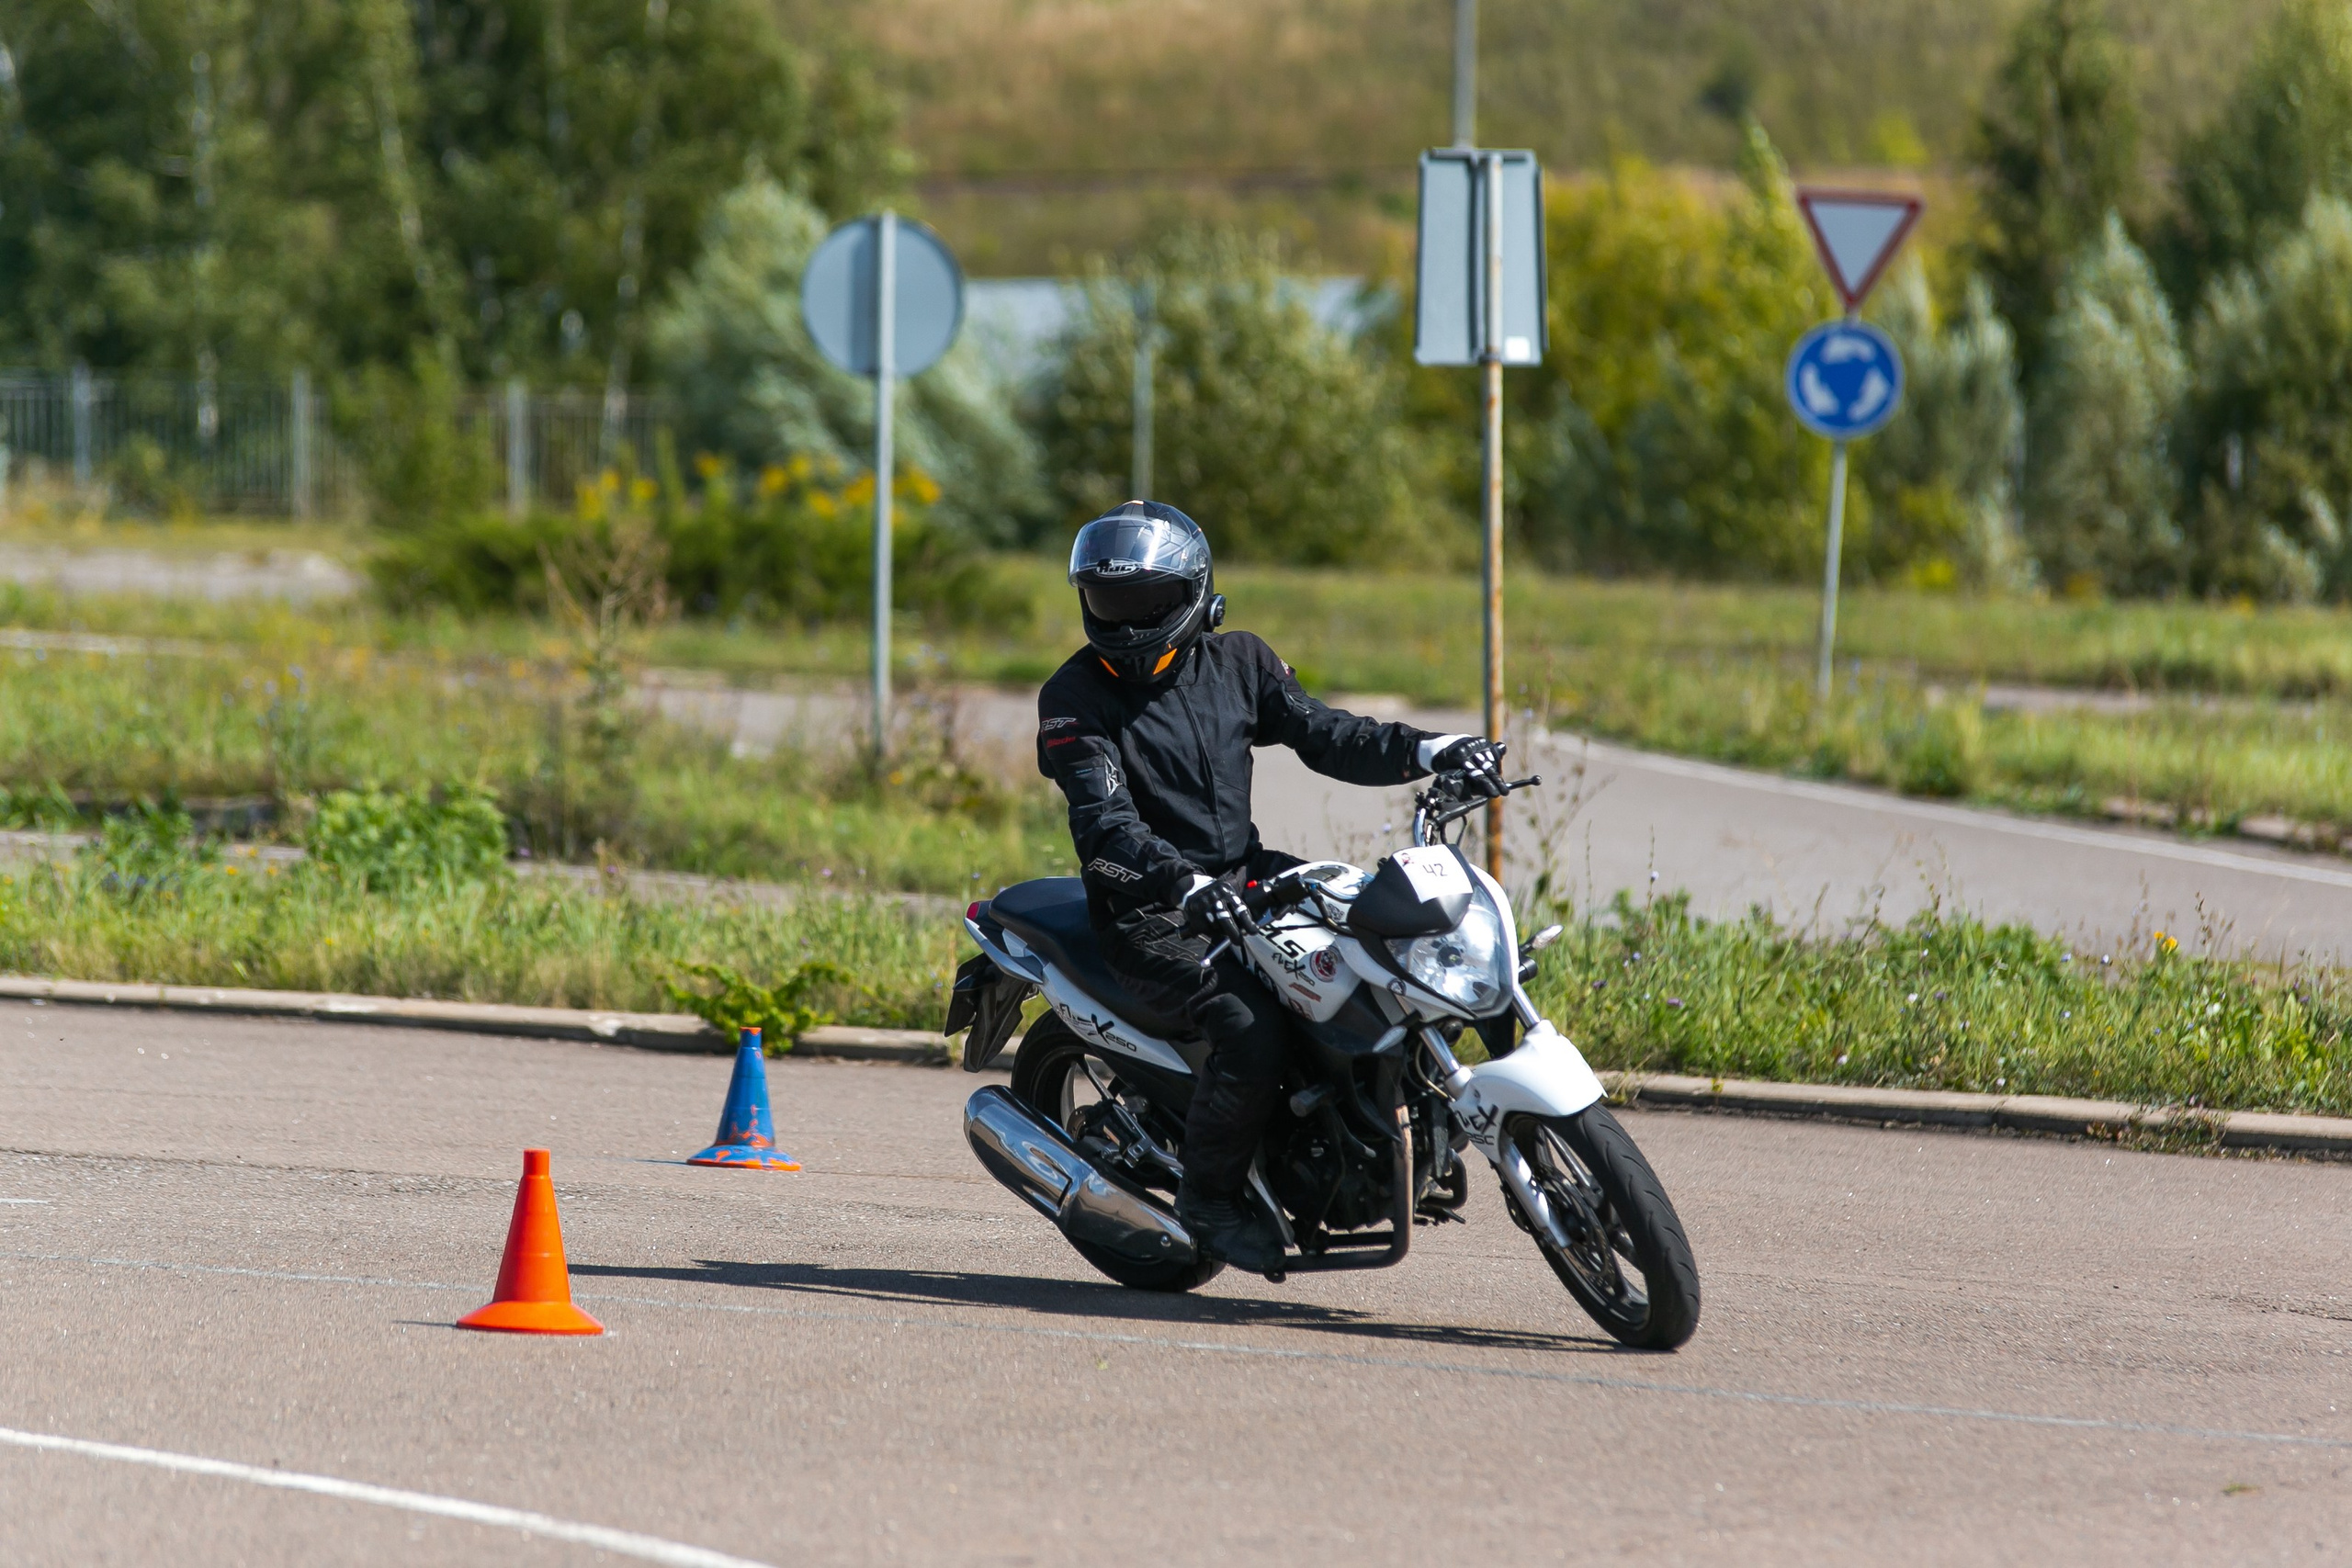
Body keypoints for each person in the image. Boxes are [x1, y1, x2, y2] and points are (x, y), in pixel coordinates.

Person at [1035, 500, 1504, 1274]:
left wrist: (1435, 749)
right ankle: (1210, 1199)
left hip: (1248, 875)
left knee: (1391, 947)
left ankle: (1390, 1117)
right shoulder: (1073, 698)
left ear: (1194, 593)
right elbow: (1107, 823)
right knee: (1249, 1025)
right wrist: (1182, 882)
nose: (1124, 620)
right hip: (1150, 908)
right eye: (1107, 600)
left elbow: (1328, 734)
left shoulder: (1241, 660)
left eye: (1145, 602)